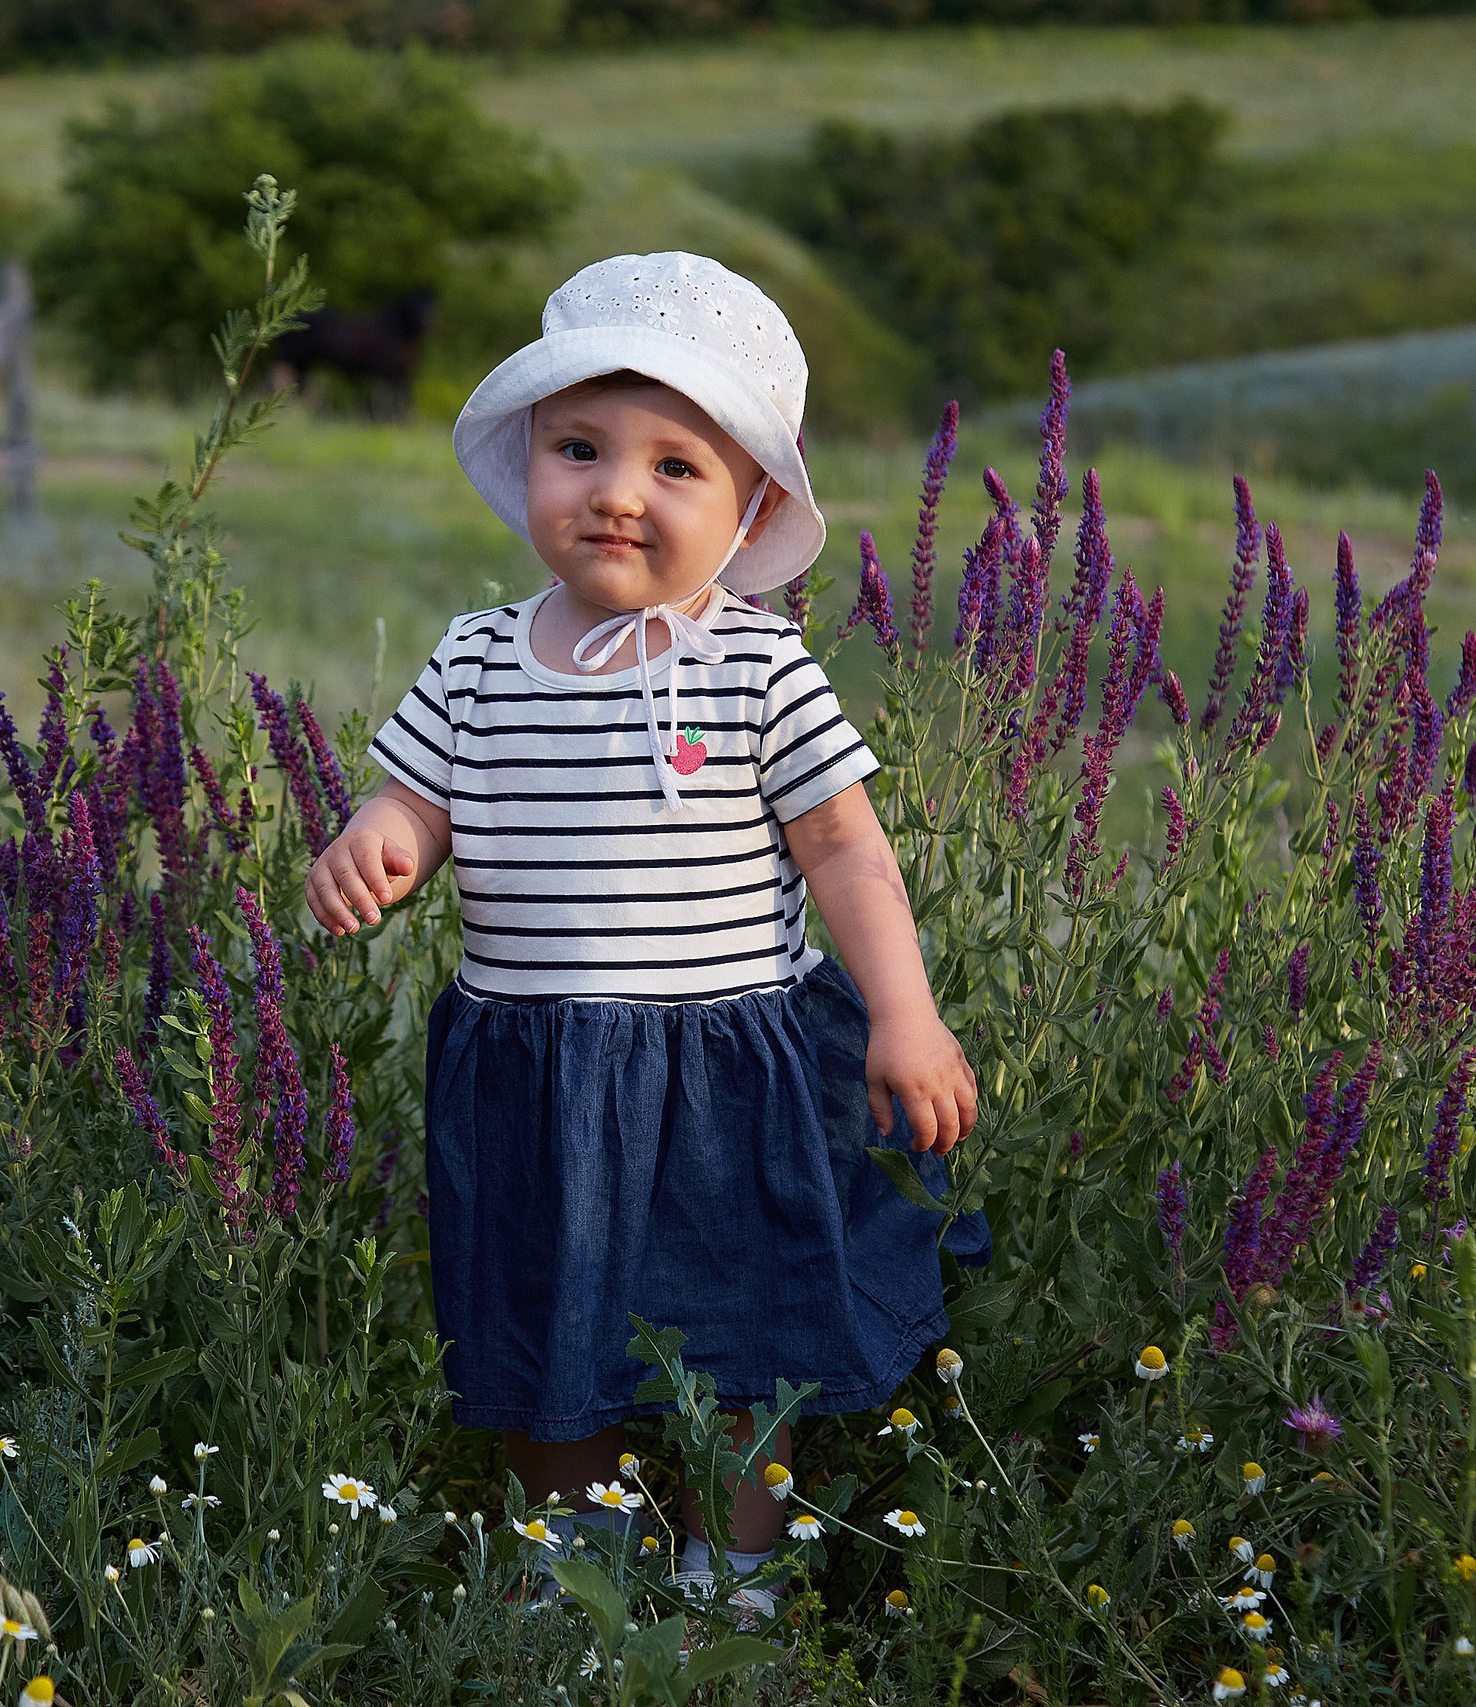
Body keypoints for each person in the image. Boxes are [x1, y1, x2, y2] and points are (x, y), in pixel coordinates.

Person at [302, 253, 988, 1626]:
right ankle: (571, 1560)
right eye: (580, 448)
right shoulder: (479, 655)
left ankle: (737, 1564)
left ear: (751, 515)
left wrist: (904, 1013)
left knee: (744, 1330)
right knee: (543, 1317)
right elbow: (419, 798)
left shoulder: (755, 664)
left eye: (677, 466)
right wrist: (379, 840)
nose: (617, 490)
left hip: (725, 1068)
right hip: (534, 1068)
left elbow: (846, 847)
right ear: (530, 465)